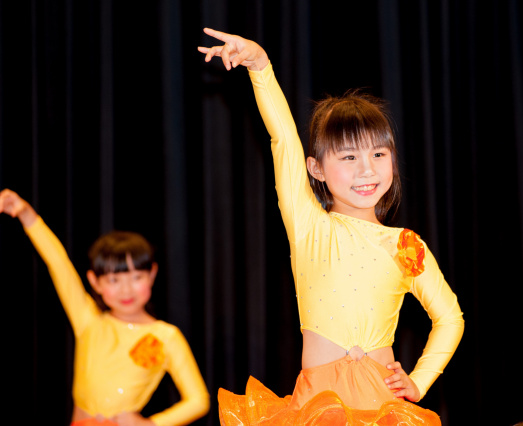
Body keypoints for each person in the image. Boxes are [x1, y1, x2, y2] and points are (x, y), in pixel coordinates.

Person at [199, 29, 464, 425]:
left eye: (378, 154)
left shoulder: (405, 245)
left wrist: (420, 381)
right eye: (349, 157)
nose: (367, 170)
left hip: (384, 406)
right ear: (316, 168)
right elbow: (283, 139)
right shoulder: (309, 227)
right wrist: (260, 67)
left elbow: (450, 317)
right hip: (317, 406)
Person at [0, 189, 210, 426]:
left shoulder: (166, 337)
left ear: (152, 274)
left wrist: (151, 424)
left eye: (136, 277)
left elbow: (198, 400)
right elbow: (58, 264)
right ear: (95, 282)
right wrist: (27, 216)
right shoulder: (88, 321)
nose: (126, 290)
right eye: (113, 280)